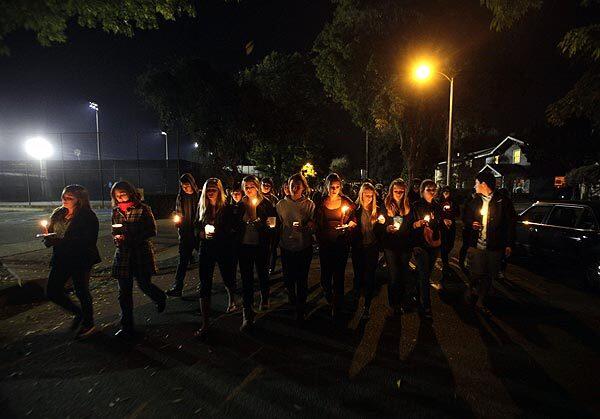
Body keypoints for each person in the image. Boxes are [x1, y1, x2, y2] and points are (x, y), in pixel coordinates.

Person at [43, 184, 101, 339]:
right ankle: (78, 313)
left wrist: (60, 242)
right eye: (63, 196)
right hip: (61, 258)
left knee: (81, 290)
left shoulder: (87, 216)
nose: (64, 200)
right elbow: (50, 233)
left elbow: (89, 240)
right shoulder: (58, 213)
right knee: (52, 291)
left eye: (69, 198)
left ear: (79, 200)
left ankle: (89, 324)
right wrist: (48, 240)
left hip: (80, 258)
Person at [110, 181, 166, 338]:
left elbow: (151, 230)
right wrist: (118, 239)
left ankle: (159, 296)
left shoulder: (143, 209)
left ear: (130, 192)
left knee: (144, 284)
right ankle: (127, 326)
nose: (120, 197)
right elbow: (113, 231)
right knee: (124, 293)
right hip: (123, 255)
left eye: (123, 193)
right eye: (117, 195)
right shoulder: (115, 211)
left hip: (140, 254)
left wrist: (132, 238)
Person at [463, 173, 516, 311]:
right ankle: (470, 288)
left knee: (488, 274)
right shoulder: (475, 201)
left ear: (484, 184)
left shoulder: (503, 201)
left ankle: (481, 301)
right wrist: (471, 223)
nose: (475, 186)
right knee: (475, 272)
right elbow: (466, 217)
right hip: (477, 244)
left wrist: (509, 244)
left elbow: (510, 224)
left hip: (494, 245)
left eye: (476, 183)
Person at [195, 178, 241, 338]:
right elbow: (196, 225)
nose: (210, 192)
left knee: (228, 276)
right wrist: (200, 233)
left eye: (214, 189)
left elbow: (233, 229)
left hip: (223, 248)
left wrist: (220, 233)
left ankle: (231, 300)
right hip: (206, 249)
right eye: (208, 189)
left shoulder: (227, 209)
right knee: (204, 283)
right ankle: (205, 323)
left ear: (219, 191)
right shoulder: (201, 208)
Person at [238, 175, 277, 331]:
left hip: (260, 246)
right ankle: (247, 314)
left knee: (262, 273)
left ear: (257, 186)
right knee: (246, 278)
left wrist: (263, 224)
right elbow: (234, 225)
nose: (248, 190)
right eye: (246, 187)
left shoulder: (266, 204)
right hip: (244, 246)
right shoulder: (240, 205)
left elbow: (273, 225)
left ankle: (264, 296)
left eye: (251, 186)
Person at [315, 173, 357, 317]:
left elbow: (353, 218)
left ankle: (337, 304)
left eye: (337, 187)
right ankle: (327, 290)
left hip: (341, 243)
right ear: (327, 186)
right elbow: (316, 221)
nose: (334, 189)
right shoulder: (321, 202)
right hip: (326, 244)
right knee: (326, 274)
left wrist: (351, 224)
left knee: (339, 274)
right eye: (332, 186)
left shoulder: (346, 201)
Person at [276, 173, 315, 323]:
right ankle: (292, 298)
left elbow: (313, 225)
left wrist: (310, 225)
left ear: (304, 187)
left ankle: (301, 309)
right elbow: (278, 223)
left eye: (298, 185)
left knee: (302, 279)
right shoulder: (280, 205)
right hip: (286, 246)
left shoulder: (309, 204)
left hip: (304, 246)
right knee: (288, 278)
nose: (295, 187)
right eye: (292, 184)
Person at [374, 178, 412, 316]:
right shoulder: (385, 206)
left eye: (401, 191)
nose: (398, 194)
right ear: (391, 191)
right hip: (390, 245)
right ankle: (393, 303)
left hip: (405, 245)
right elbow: (379, 225)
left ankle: (401, 301)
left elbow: (411, 225)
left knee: (403, 275)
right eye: (396, 191)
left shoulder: (408, 206)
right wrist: (386, 227)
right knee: (394, 275)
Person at [410, 179, 442, 319]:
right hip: (420, 244)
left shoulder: (437, 206)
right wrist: (417, 224)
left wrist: (444, 222)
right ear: (422, 191)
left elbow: (439, 222)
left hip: (434, 243)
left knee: (425, 273)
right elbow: (410, 225)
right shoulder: (416, 206)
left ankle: (416, 293)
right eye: (429, 189)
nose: (432, 192)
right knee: (424, 276)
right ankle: (426, 306)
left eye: (434, 189)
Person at [350, 183, 382, 319]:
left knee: (370, 275)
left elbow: (382, 231)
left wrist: (382, 223)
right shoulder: (355, 209)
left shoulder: (378, 210)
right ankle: (356, 296)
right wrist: (350, 225)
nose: (368, 198)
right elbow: (347, 222)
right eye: (365, 195)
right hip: (358, 247)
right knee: (358, 273)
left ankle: (366, 306)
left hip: (372, 247)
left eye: (371, 196)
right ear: (361, 195)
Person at [167, 173, 200, 297]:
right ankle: (178, 287)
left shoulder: (200, 195)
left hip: (198, 233)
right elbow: (178, 212)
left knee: (204, 260)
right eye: (183, 186)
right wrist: (177, 220)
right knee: (182, 261)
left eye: (187, 186)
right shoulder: (180, 197)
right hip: (185, 233)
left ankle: (205, 284)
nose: (185, 188)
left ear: (192, 184)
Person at [437, 186, 460, 289]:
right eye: (444, 192)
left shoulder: (453, 202)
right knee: (444, 244)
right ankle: (445, 264)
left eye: (448, 192)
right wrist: (443, 220)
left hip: (451, 225)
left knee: (450, 244)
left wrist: (451, 216)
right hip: (442, 226)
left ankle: (445, 257)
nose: (446, 193)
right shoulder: (439, 202)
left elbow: (458, 213)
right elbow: (437, 213)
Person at [261, 177, 280, 275]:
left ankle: (271, 267)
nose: (266, 186)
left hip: (273, 227)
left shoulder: (274, 199)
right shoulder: (257, 197)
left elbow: (278, 213)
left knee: (272, 248)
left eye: (268, 185)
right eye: (264, 184)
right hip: (261, 227)